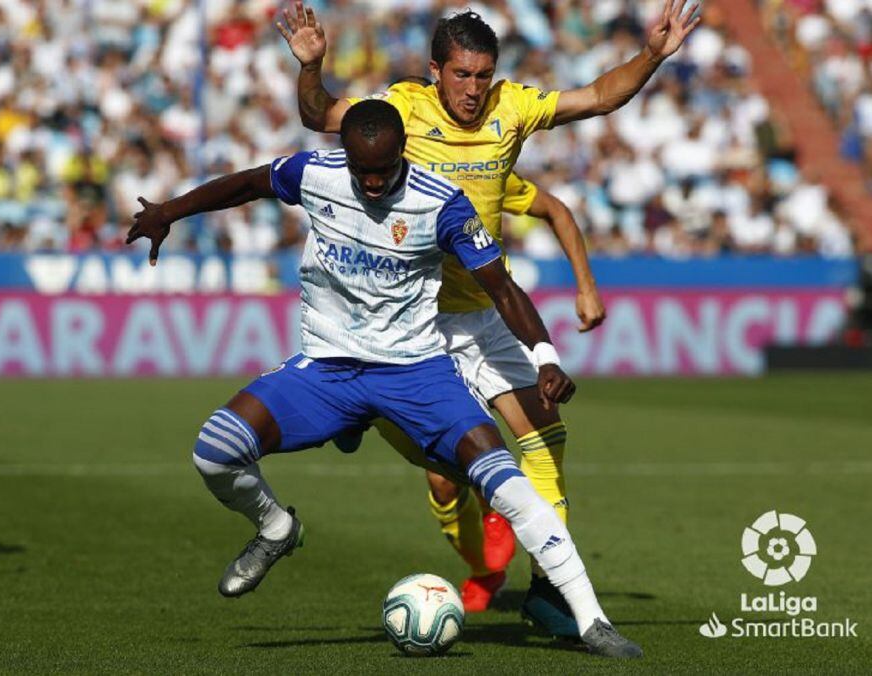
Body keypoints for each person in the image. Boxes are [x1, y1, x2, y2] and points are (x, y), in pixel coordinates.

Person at [127, 99, 642, 658]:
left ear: (403, 153)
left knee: (509, 483)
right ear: (344, 155)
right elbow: (248, 183)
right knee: (214, 451)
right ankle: (275, 528)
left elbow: (500, 285)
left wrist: (544, 354)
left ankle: (591, 620)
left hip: (416, 371)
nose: (372, 183)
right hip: (328, 366)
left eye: (384, 170)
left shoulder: (441, 203)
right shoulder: (316, 174)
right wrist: (169, 212)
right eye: (361, 170)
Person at [277, 2, 698, 631]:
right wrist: (312, 67)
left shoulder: (515, 108)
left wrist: (653, 55)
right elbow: (320, 115)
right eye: (462, 75)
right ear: (435, 72)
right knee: (450, 472)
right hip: (412, 322)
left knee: (547, 438)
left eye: (483, 76)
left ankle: (550, 592)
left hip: (488, 310)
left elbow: (600, 97)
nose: (473, 89)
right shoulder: (401, 109)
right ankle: (360, 414)